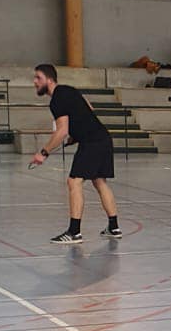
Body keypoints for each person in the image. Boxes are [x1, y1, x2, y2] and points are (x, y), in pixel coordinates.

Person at [29, 64, 122, 244]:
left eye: (38, 78)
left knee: (74, 181)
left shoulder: (56, 100)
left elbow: (61, 131)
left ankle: (74, 232)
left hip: (92, 142)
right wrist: (76, 134)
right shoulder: (69, 90)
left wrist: (43, 153)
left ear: (49, 79)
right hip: (103, 138)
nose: (35, 82)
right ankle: (114, 227)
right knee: (99, 181)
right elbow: (88, 108)